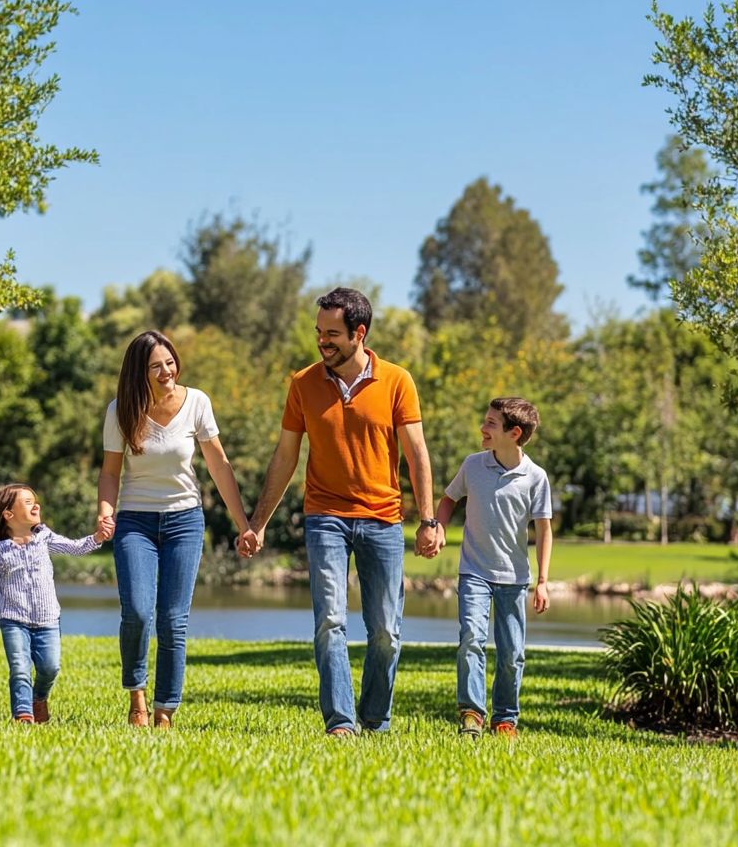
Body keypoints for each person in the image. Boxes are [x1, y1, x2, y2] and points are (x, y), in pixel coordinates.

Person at [238, 287, 441, 736]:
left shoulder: (397, 381)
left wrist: (428, 520)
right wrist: (258, 523)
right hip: (324, 515)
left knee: (385, 631)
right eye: (318, 332)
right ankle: (341, 722)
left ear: (359, 333)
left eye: (332, 334)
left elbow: (416, 454)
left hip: (383, 517)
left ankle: (374, 718)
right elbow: (285, 456)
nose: (322, 342)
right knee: (330, 619)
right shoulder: (304, 384)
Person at [96, 330, 250, 729]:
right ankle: (137, 698)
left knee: (172, 619)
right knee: (137, 613)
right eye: (155, 366)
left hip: (185, 519)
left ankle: (165, 709)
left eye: (170, 362)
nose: (167, 371)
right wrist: (105, 511)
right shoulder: (121, 410)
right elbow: (110, 472)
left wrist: (244, 524)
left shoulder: (197, 402)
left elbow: (218, 465)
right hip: (135, 521)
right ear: (139, 373)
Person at [432, 397, 554, 740]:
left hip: (514, 578)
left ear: (514, 433)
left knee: (512, 654)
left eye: (490, 424)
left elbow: (544, 531)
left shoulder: (535, 478)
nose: (482, 429)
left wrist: (542, 582)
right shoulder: (473, 466)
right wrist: (439, 527)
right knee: (471, 638)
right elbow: (448, 499)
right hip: (474, 571)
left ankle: (505, 720)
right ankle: (471, 714)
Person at [0, 483, 112, 724]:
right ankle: (23, 714)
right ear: (8, 515)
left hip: (48, 619)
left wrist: (97, 537)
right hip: (13, 620)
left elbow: (75, 548)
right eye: (27, 502)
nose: (36, 504)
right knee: (20, 667)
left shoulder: (44, 539)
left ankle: (39, 698)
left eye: (34, 500)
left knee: (50, 668)